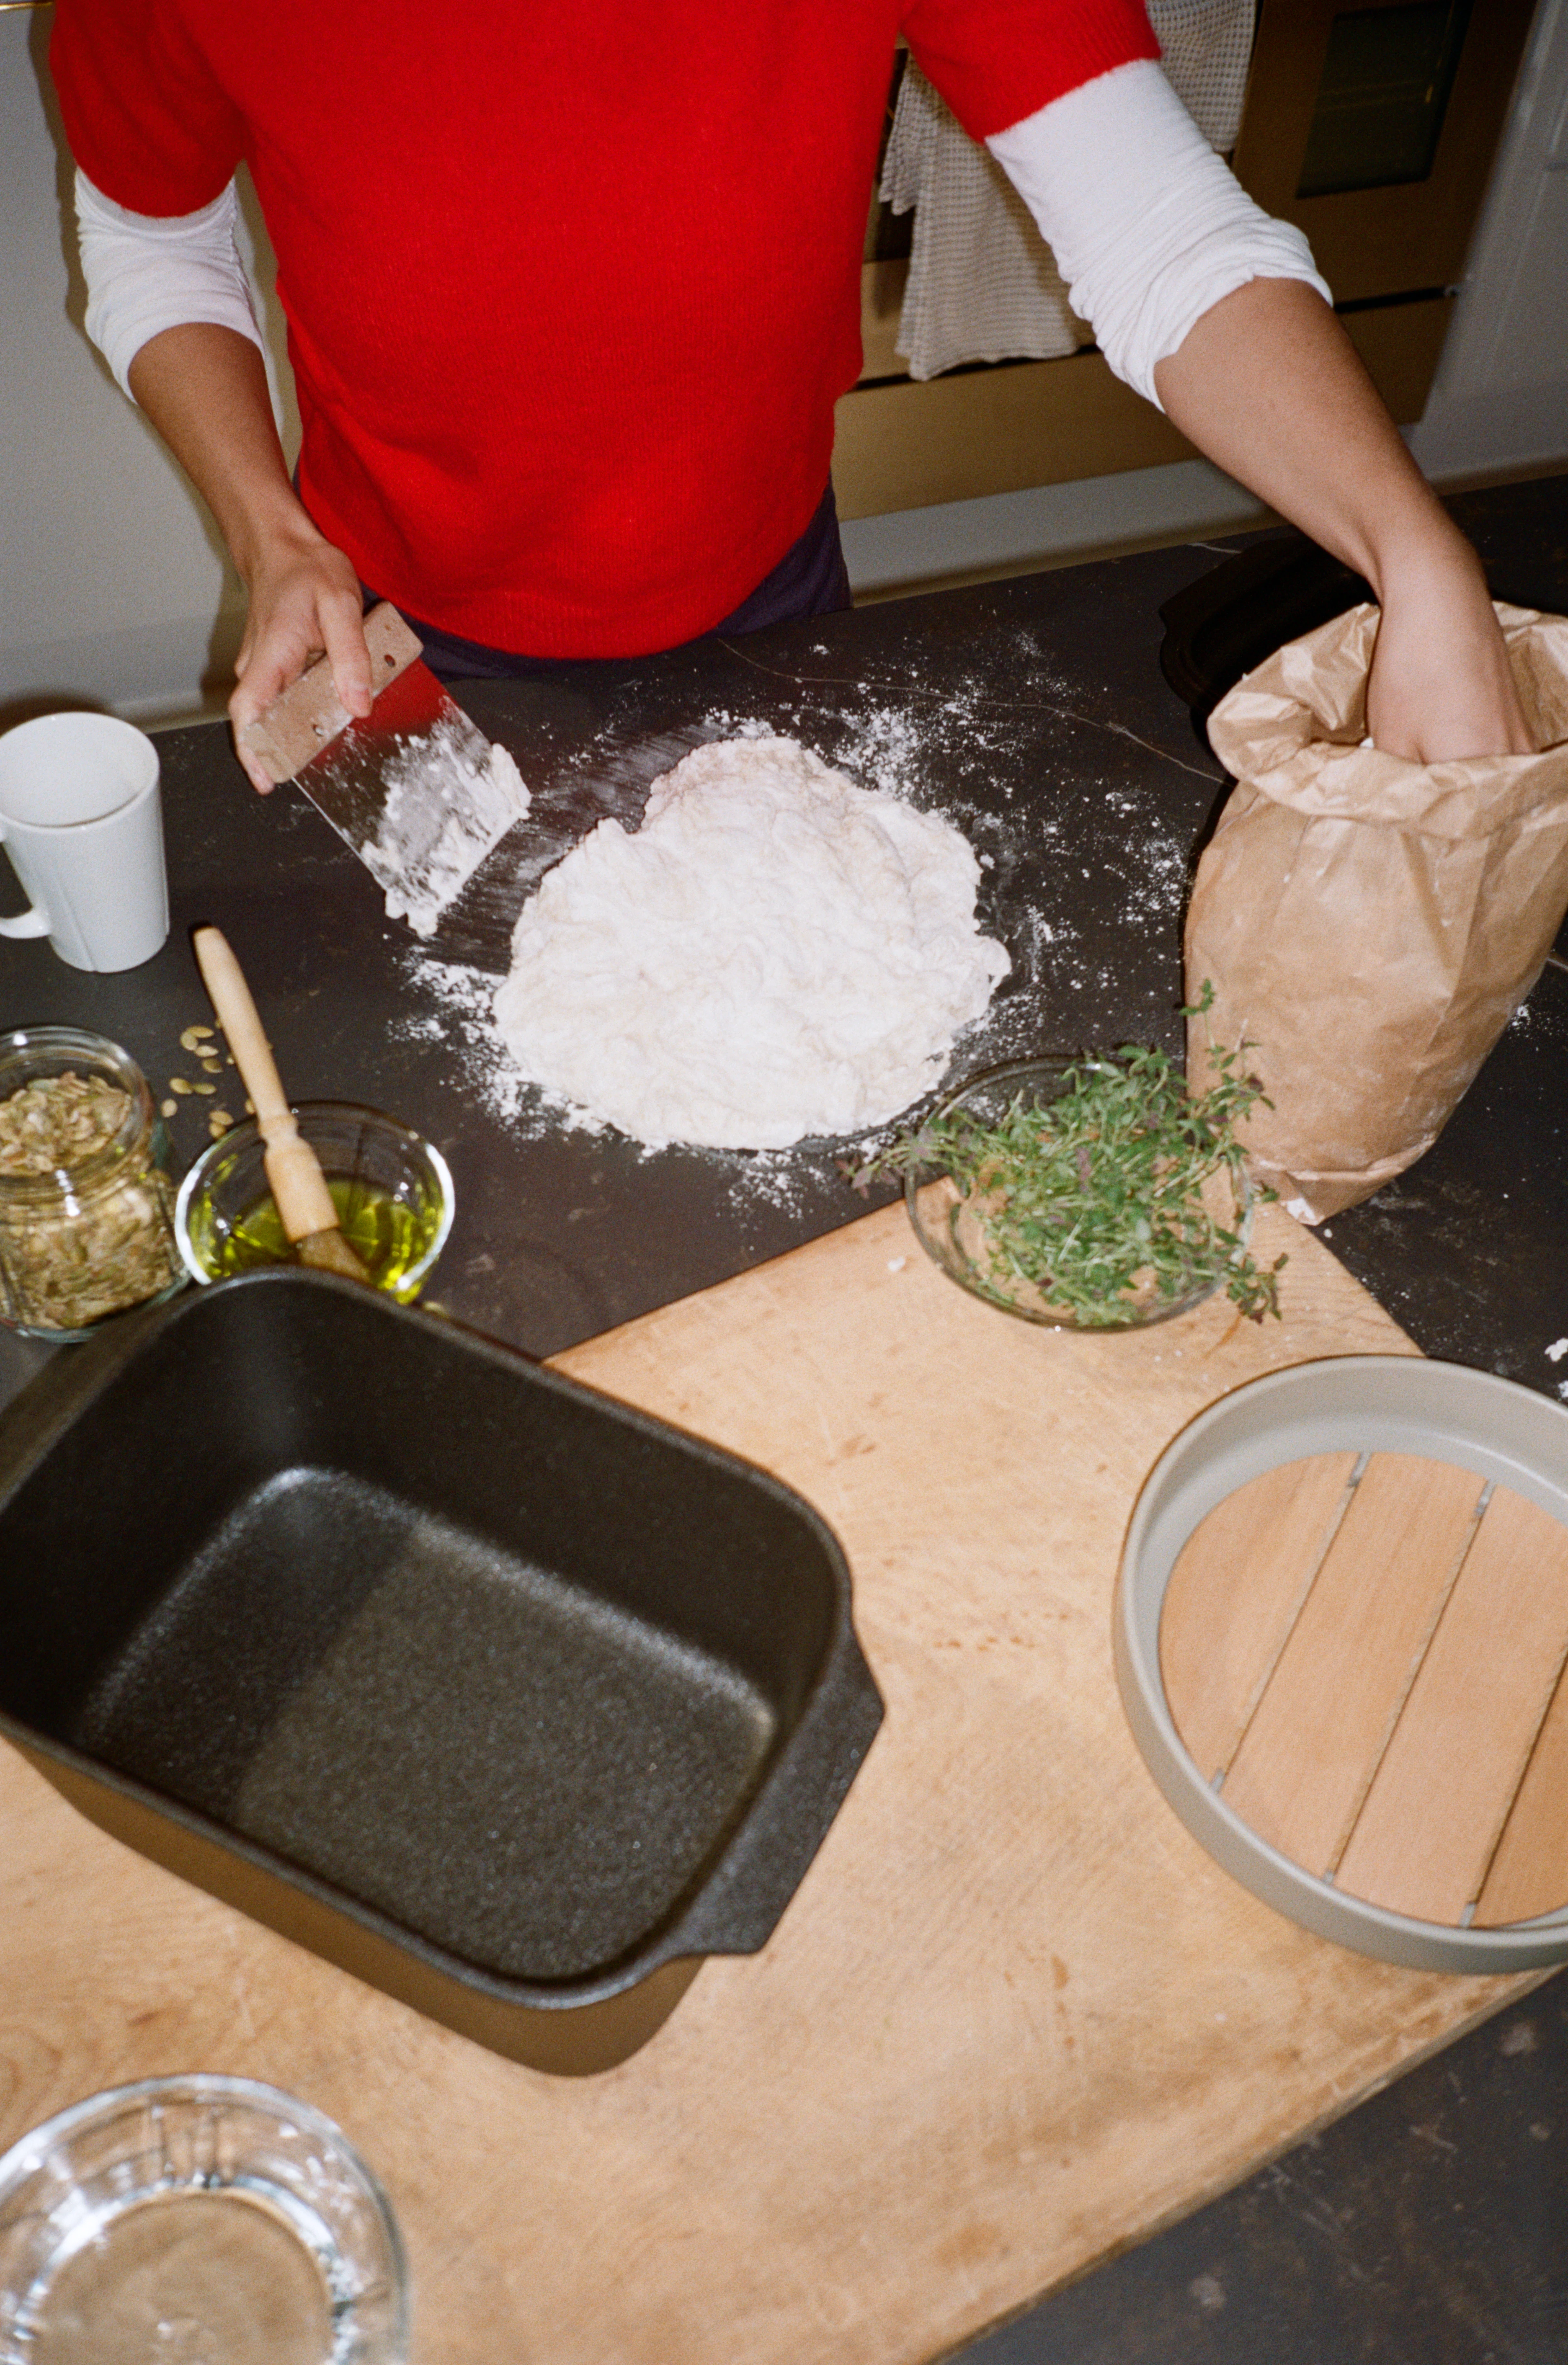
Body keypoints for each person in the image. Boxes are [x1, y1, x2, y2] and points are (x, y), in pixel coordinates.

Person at [51, 0, 1533, 795]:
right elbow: (150, 232)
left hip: (769, 576)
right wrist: (267, 532)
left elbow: (1158, 231)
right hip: (388, 625)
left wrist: (1417, 555)